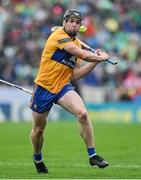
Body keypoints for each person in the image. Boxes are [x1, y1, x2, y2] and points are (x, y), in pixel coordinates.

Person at [30, 9, 109, 173]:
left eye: (77, 22)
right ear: (64, 22)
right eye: (70, 21)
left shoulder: (78, 44)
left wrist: (96, 62)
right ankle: (38, 158)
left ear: (80, 26)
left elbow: (75, 75)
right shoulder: (58, 36)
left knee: (83, 114)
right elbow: (80, 54)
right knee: (39, 130)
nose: (73, 24)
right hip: (43, 87)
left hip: (63, 87)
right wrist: (99, 57)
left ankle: (92, 155)